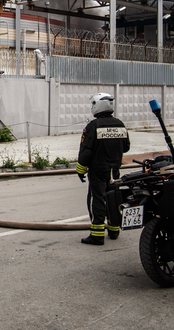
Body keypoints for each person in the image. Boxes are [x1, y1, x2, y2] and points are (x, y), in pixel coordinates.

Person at [76, 93, 130, 245]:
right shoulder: (120, 124)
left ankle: (97, 235)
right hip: (115, 171)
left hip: (98, 170)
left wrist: (80, 170)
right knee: (113, 199)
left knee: (98, 200)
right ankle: (114, 230)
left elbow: (86, 151)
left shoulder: (93, 126)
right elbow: (126, 147)